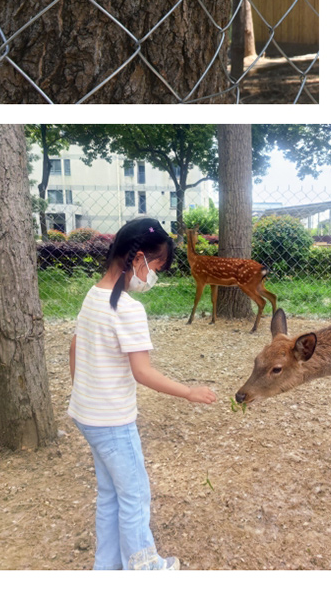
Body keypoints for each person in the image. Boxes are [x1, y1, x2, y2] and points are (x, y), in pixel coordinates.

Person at [68, 218, 217, 570]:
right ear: (137, 261)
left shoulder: (94, 296)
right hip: (113, 423)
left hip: (86, 415)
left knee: (110, 495)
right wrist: (188, 392)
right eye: (157, 268)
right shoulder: (127, 309)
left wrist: (84, 390)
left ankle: (107, 569)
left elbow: (75, 347)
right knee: (134, 495)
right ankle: (146, 569)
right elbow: (142, 371)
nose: (154, 277)